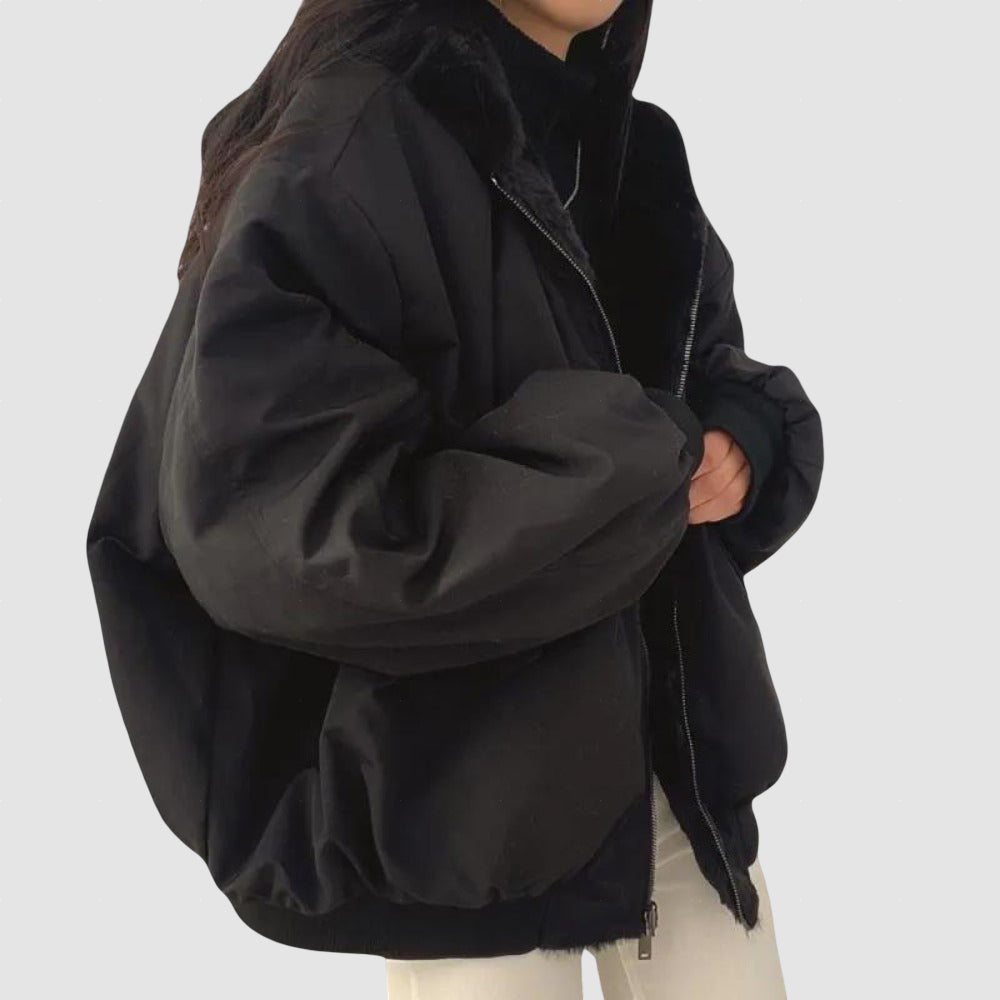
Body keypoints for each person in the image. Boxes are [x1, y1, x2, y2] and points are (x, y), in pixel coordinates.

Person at [85, 0, 823, 997]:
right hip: (461, 820)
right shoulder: (358, 136)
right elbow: (278, 517)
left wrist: (748, 435)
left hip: (676, 785)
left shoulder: (629, 146)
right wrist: (621, 472)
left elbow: (696, 373)